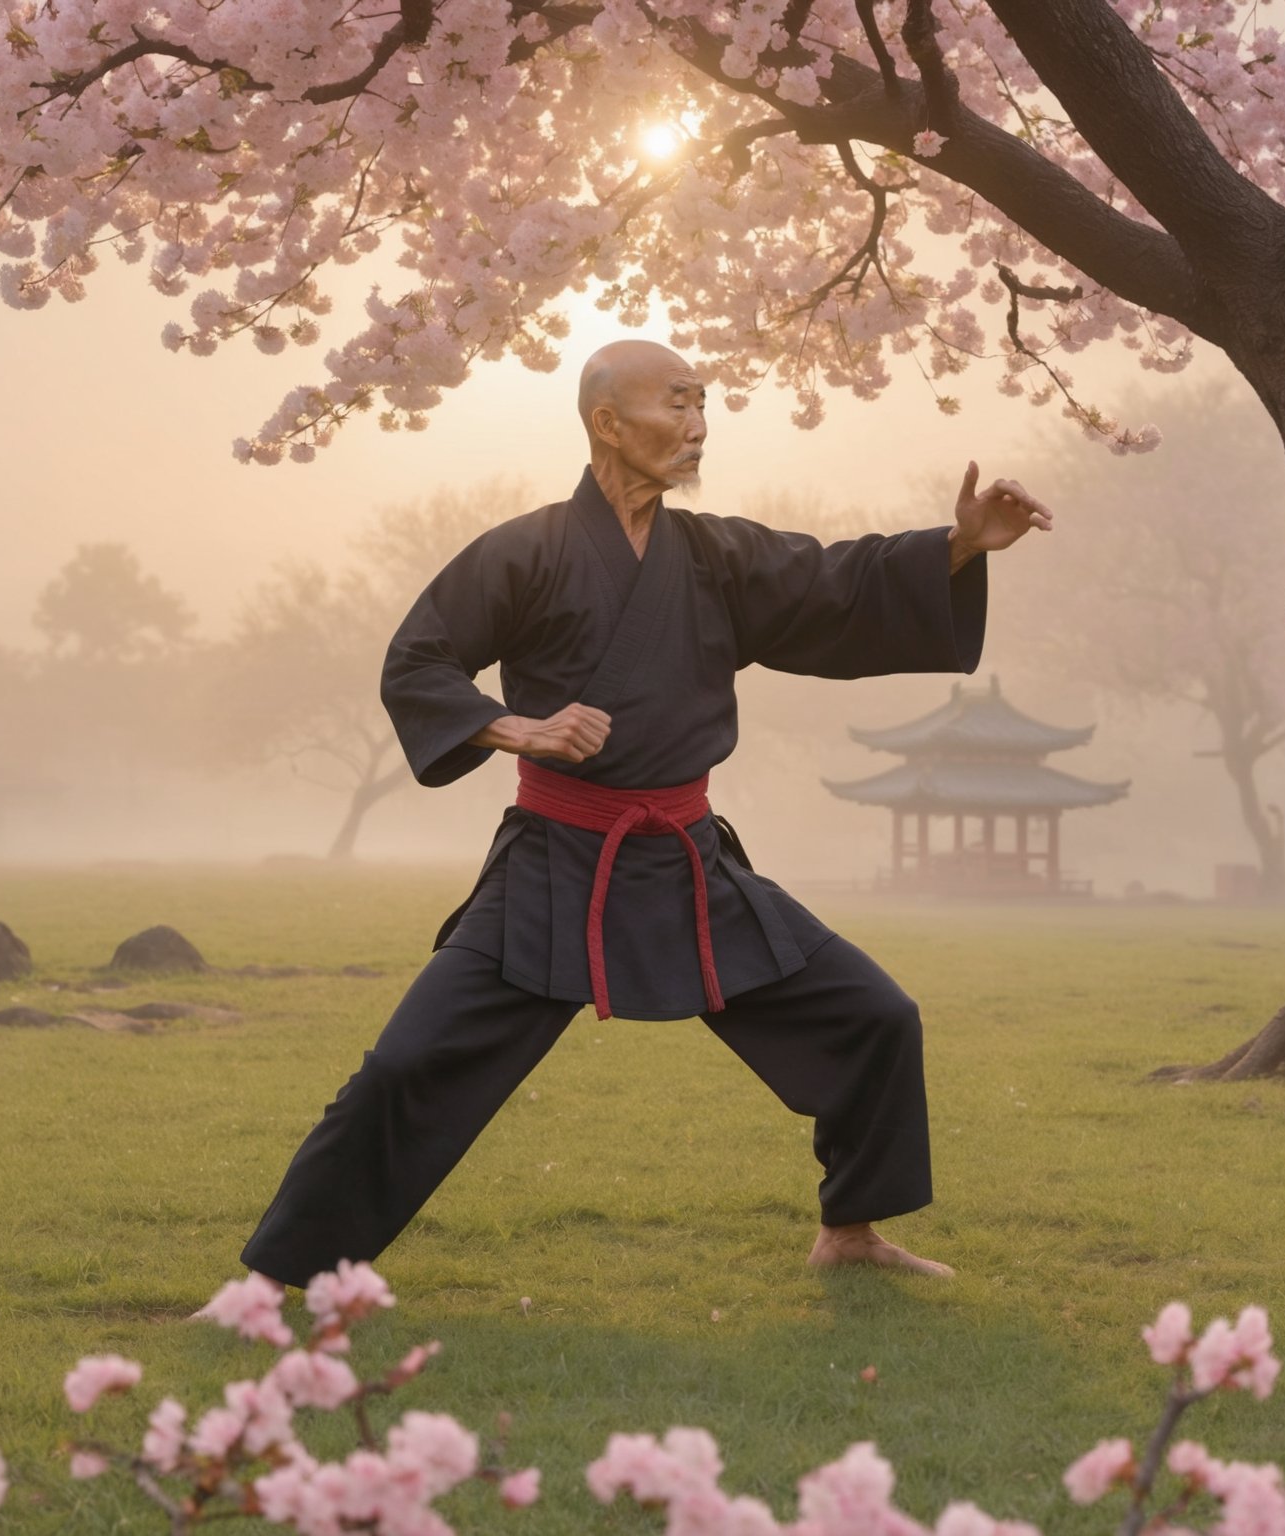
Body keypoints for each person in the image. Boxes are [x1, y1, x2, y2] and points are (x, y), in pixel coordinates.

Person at [241, 340, 1052, 1287]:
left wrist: (956, 547)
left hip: (685, 863)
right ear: (608, 423)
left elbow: (835, 581)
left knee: (874, 1016)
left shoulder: (715, 558)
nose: (698, 425)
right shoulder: (525, 551)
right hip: (555, 863)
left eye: (706, 406)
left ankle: (851, 1233)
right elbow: (417, 660)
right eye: (677, 405)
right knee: (406, 1068)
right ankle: (275, 1281)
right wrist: (517, 729)